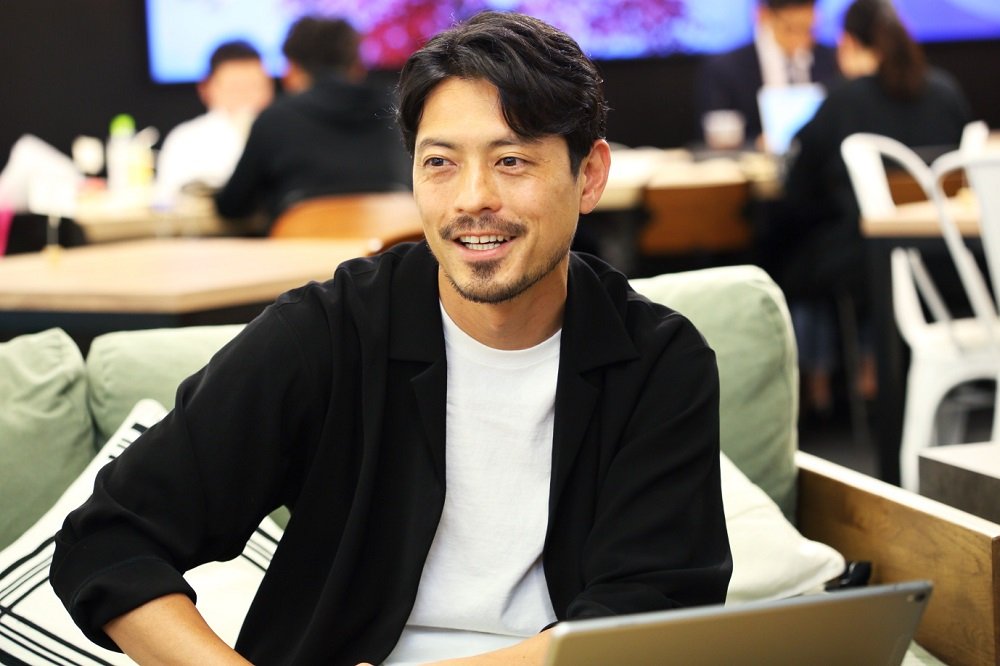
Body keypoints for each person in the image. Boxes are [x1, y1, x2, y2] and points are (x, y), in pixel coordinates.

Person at [49, 11, 731, 666]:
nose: (472, 198)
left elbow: (652, 612)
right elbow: (107, 538)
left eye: (512, 160)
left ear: (589, 175)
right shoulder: (330, 333)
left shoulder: (657, 361)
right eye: (440, 163)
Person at [770, 0, 973, 416]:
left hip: (867, 261)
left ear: (847, 43)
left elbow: (797, 190)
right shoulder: (946, 90)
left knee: (792, 254)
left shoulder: (842, 100)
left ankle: (818, 386)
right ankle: (868, 372)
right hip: (949, 258)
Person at [213, 16, 411, 229]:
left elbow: (231, 206)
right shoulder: (399, 112)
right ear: (358, 66)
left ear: (292, 70)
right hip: (390, 246)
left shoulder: (274, 119)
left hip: (299, 250)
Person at [696, 0, 840, 146]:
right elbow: (719, 136)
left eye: (809, 30)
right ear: (764, 16)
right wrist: (754, 143)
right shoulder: (727, 69)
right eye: (790, 29)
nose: (801, 39)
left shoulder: (832, 59)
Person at [154, 40, 274, 208]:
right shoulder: (185, 139)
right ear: (206, 88)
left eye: (255, 86)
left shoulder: (283, 134)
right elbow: (166, 201)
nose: (246, 97)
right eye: (235, 88)